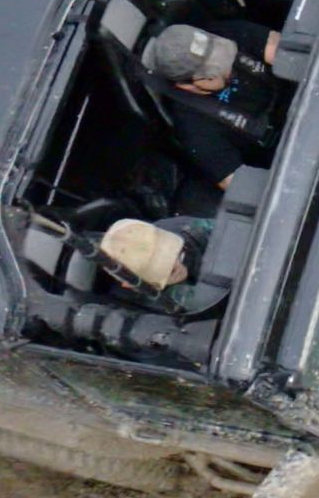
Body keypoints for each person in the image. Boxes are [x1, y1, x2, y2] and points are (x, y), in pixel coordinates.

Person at [143, 19, 280, 182]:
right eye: (215, 72)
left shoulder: (229, 32)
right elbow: (239, 183)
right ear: (187, 85)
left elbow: (289, 54)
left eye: (222, 53)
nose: (228, 68)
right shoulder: (195, 128)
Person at [98, 209, 220, 317]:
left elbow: (224, 231)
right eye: (166, 270)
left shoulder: (182, 228)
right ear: (129, 285)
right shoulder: (138, 309)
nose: (175, 265)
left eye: (174, 254)